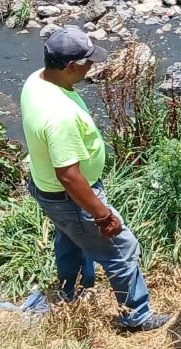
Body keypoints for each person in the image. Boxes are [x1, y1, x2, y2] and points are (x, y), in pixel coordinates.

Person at [21, 26, 171, 331]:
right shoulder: (58, 115)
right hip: (72, 197)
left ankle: (71, 295)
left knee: (72, 240)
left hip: (46, 189)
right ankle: (136, 316)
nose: (93, 67)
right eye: (88, 62)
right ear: (70, 66)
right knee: (121, 249)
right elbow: (69, 175)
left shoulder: (37, 80)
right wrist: (102, 216)